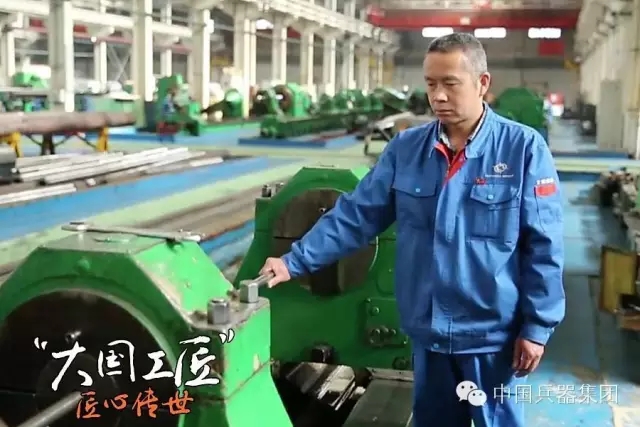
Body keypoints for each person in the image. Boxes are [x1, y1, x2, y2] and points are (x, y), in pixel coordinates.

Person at [259, 32, 565, 427]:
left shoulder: (522, 148)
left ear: (482, 83)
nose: (438, 96)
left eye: (450, 83)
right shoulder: (407, 149)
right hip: (428, 334)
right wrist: (294, 262)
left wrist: (537, 327)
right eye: (431, 84)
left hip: (492, 339)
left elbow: (543, 245)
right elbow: (356, 215)